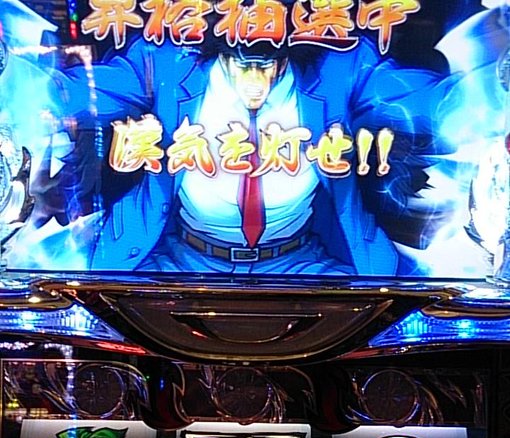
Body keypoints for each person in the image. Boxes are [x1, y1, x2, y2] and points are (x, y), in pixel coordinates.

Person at [49, 19, 454, 276]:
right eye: (244, 66)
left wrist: (472, 95)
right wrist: (33, 87)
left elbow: (417, 98)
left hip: (299, 262)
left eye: (268, 67)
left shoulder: (338, 67)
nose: (256, 82)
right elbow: (88, 90)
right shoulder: (166, 63)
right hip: (182, 259)